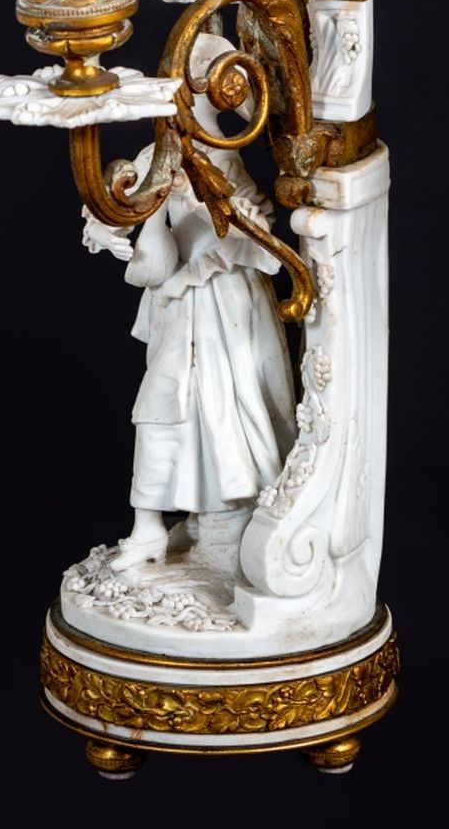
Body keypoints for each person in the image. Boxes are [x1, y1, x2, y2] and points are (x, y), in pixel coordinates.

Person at [83, 128, 296, 573]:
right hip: (179, 300)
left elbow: (254, 231)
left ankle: (220, 523)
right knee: (170, 407)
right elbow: (119, 206)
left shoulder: (223, 159)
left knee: (220, 408)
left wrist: (193, 195)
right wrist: (107, 226)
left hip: (223, 295)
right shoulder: (156, 154)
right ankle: (157, 527)